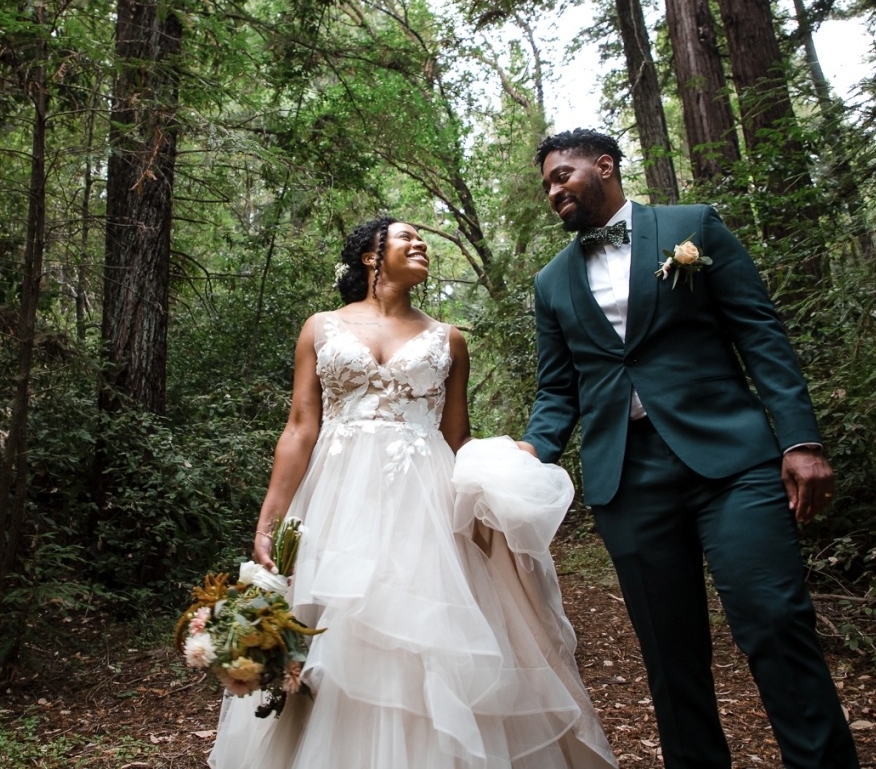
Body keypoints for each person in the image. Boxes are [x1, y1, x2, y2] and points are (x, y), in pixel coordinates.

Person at [208, 216, 617, 769]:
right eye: (406, 237)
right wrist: (269, 520)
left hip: (423, 498)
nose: (420, 243)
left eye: (422, 239)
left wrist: (487, 493)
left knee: (421, 634)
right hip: (333, 497)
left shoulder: (448, 338)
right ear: (371, 257)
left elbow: (456, 437)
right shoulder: (320, 326)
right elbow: (301, 426)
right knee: (331, 627)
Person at [517, 129, 859, 769]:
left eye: (563, 175)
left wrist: (801, 438)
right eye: (546, 186)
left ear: (605, 166)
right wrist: (531, 453)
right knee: (670, 659)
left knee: (776, 625)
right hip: (627, 479)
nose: (554, 191)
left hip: (733, 464)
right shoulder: (550, 283)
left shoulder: (692, 225)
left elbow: (760, 334)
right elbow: (558, 390)